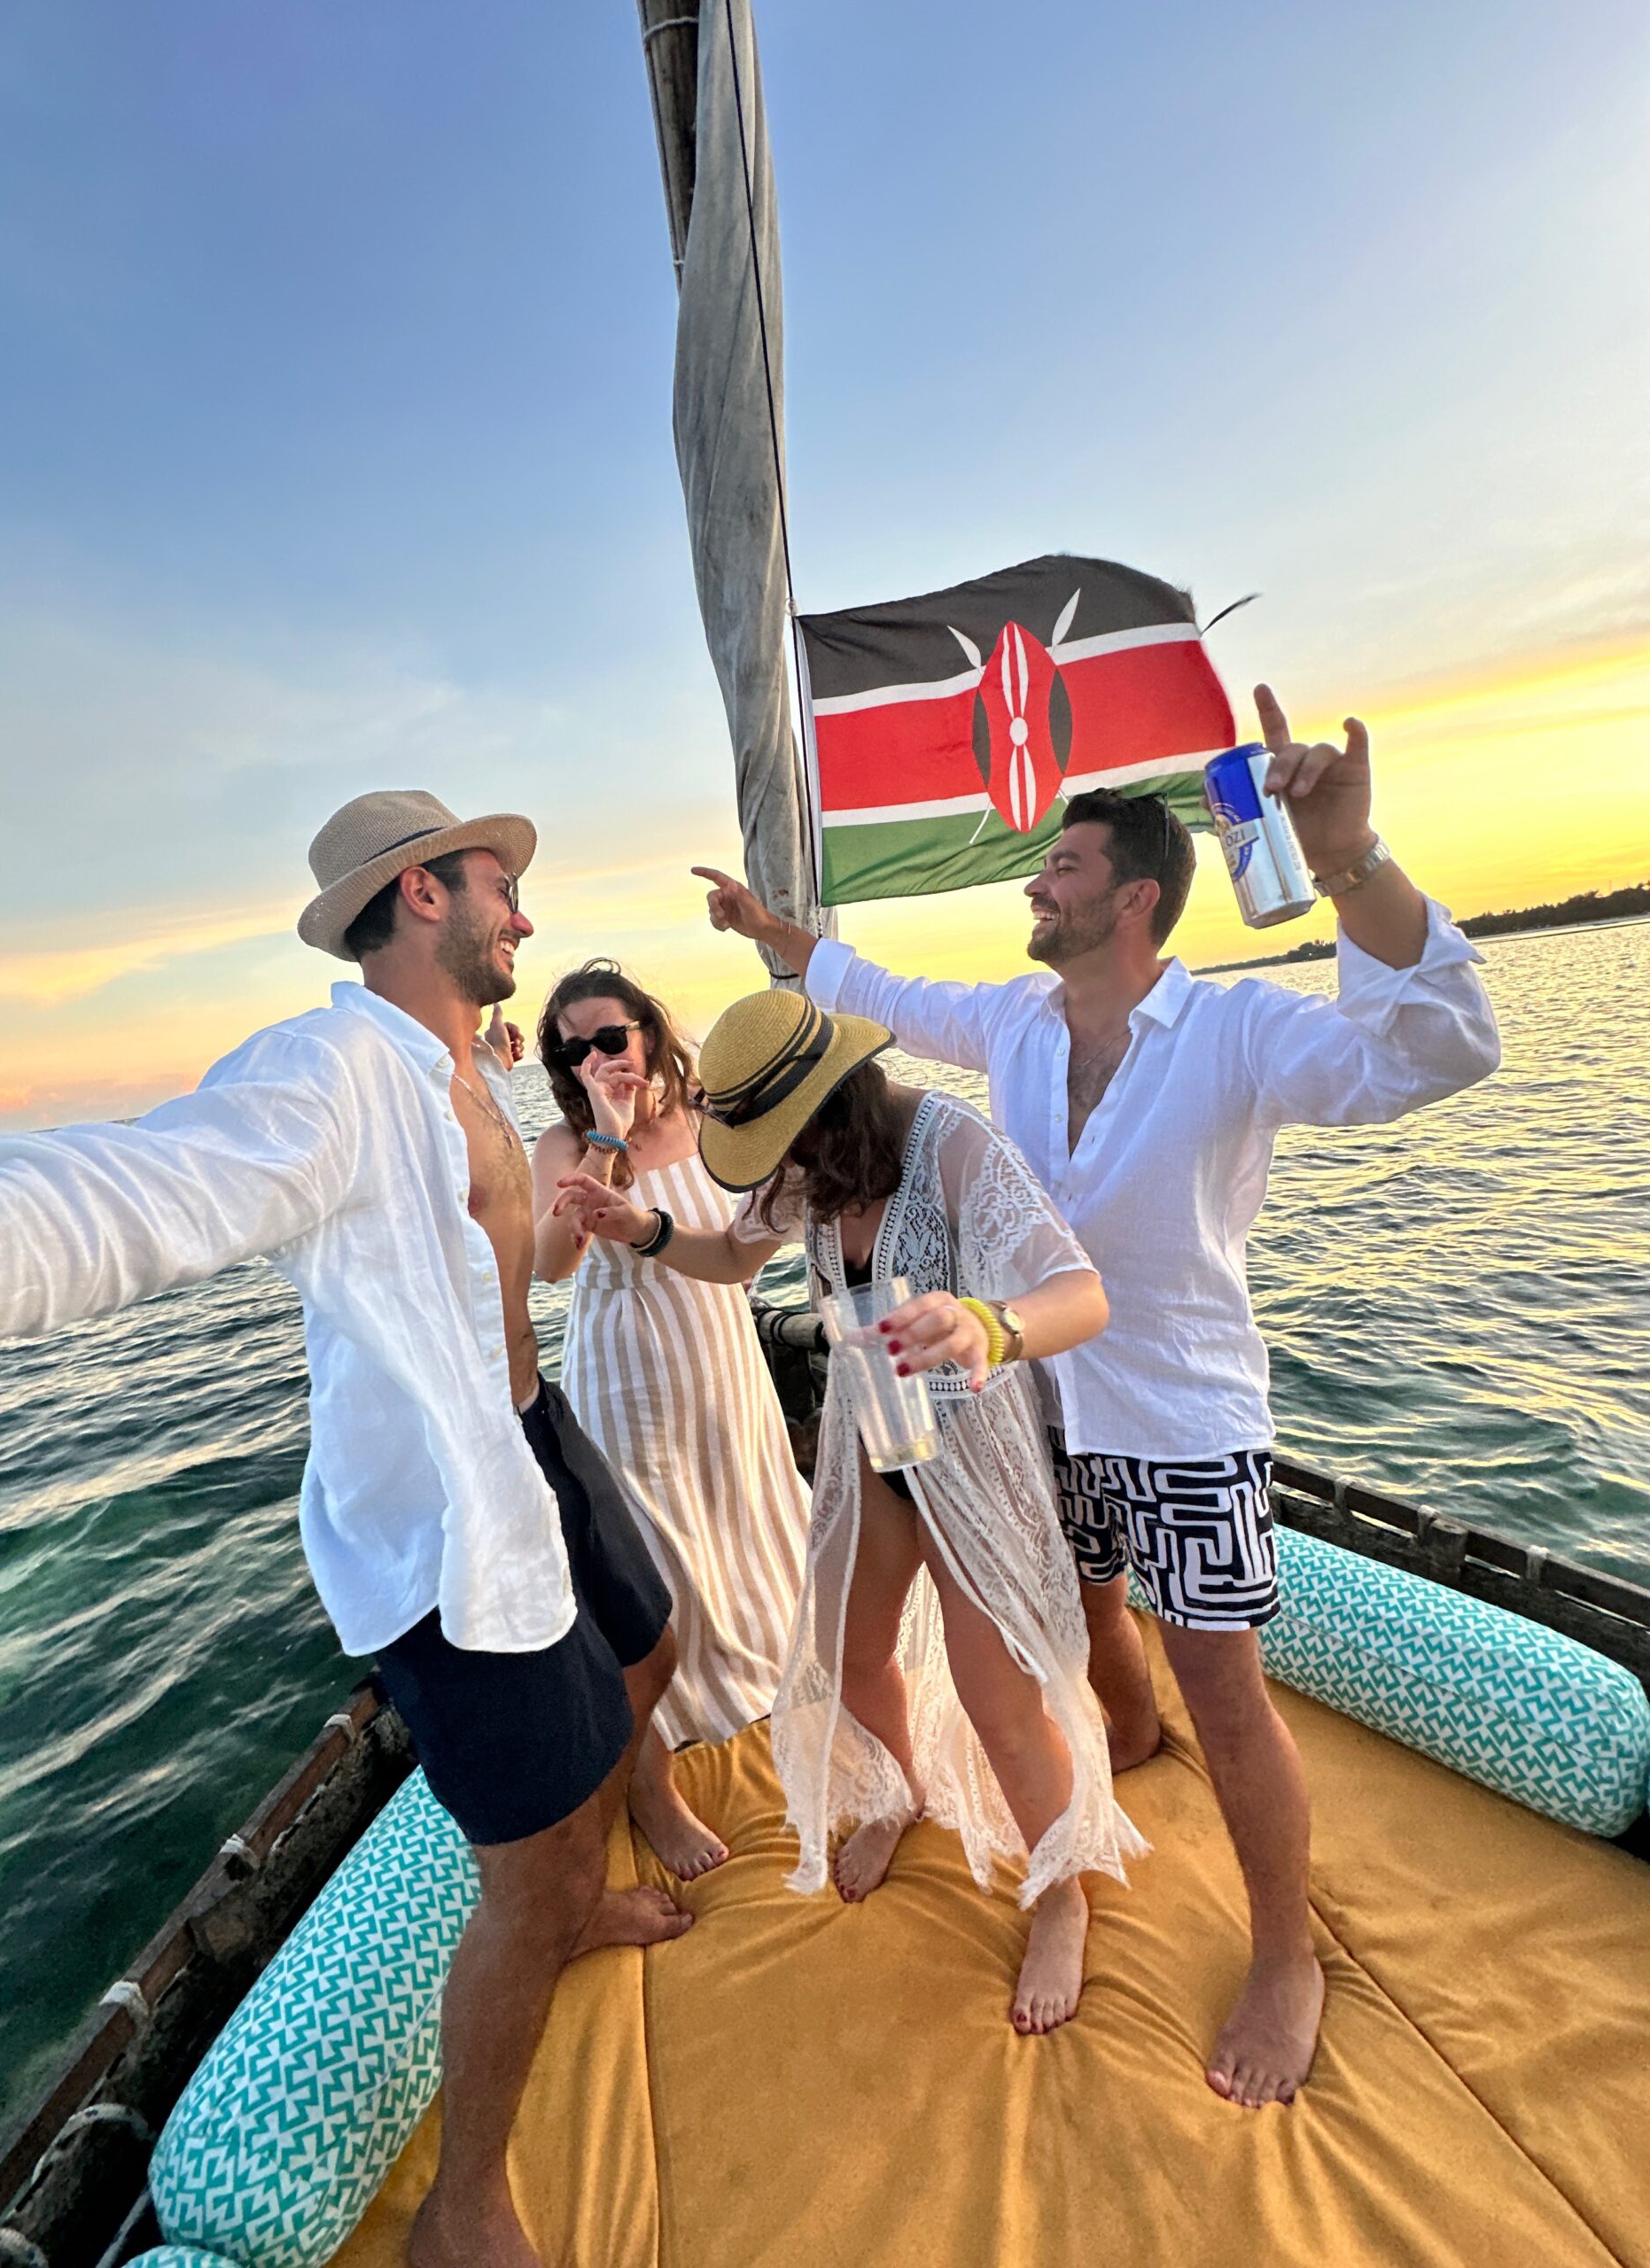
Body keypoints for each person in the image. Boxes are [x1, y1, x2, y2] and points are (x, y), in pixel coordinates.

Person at [692, 683, 1502, 2109]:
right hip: (1028, 1412)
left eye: (1059, 864)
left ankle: (1283, 1955)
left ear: (1134, 898)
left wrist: (1352, 861)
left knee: (1228, 1696)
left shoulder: (1236, 1031)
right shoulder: (1013, 1023)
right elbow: (877, 996)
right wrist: (777, 941)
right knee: (1083, 1620)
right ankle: (1117, 1758)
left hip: (1182, 1413)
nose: (1034, 878)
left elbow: (1440, 1051)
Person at [0, 790, 689, 2268]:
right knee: (525, 1874)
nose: (524, 917)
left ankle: (587, 1878)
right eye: (501, 887)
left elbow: (505, 1257)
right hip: (448, 1521)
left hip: (528, 1429)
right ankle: (465, 2207)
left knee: (653, 1643)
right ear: (421, 893)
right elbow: (136, 1195)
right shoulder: (333, 1067)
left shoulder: (463, 1064)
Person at [556, 989, 1148, 2036]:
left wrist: (989, 1322)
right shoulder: (803, 1166)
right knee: (850, 1643)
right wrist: (642, 1228)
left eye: (788, 1141)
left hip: (968, 1448)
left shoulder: (950, 1141)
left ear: (839, 1099)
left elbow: (1083, 1291)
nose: (783, 1171)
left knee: (994, 1694)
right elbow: (733, 1259)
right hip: (874, 1438)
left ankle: (1061, 1894)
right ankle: (900, 1792)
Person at [529, 959, 810, 1881]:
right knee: (648, 1561)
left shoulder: (710, 1117)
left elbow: (751, 1238)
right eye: (575, 1050)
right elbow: (551, 1265)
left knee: (745, 1516)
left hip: (722, 1358)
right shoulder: (560, 1147)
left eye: (612, 1036)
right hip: (627, 1371)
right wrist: (606, 1135)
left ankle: (761, 1684)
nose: (598, 1057)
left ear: (648, 1030)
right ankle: (651, 1786)